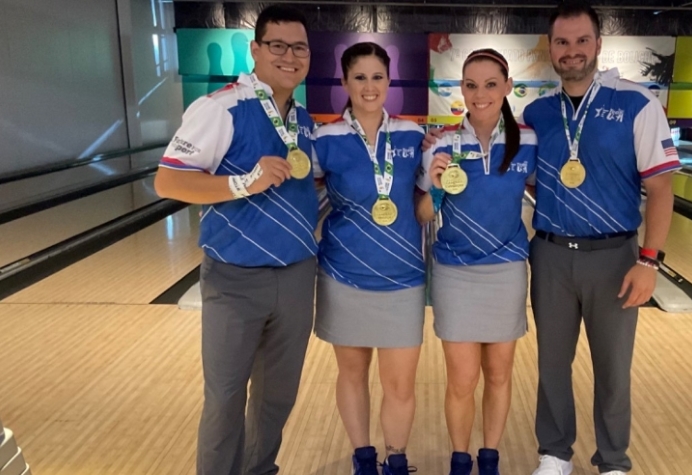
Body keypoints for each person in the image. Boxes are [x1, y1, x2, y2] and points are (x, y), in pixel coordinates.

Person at [153, 5, 318, 475]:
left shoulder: (304, 120)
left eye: (299, 47)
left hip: (296, 275)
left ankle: (259, 469)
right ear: (256, 50)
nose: (290, 56)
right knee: (225, 399)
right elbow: (168, 181)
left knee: (276, 397)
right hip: (234, 278)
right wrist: (244, 182)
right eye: (278, 46)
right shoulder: (221, 108)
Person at [524, 2, 681, 475]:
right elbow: (521, 176)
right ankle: (555, 453)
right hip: (550, 254)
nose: (572, 51)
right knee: (552, 364)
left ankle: (613, 460)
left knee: (613, 368)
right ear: (550, 47)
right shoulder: (536, 113)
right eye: (562, 42)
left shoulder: (637, 103)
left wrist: (649, 261)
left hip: (615, 257)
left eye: (581, 40)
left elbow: (661, 189)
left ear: (598, 44)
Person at [415, 49, 537, 475]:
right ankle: (460, 460)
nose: (479, 94)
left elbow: (543, 191)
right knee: (462, 380)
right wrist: (435, 188)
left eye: (490, 84)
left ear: (507, 87)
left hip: (506, 271)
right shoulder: (440, 143)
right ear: (461, 89)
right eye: (470, 85)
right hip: (455, 273)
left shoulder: (529, 141)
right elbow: (422, 215)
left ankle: (489, 460)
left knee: (499, 376)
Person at [311, 42, 425, 475]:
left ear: (389, 80)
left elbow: (424, 199)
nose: (369, 86)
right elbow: (306, 196)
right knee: (352, 375)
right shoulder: (325, 140)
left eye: (377, 76)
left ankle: (396, 460)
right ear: (344, 82)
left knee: (400, 384)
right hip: (345, 274)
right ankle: (363, 460)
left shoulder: (413, 135)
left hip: (403, 278)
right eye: (359, 77)